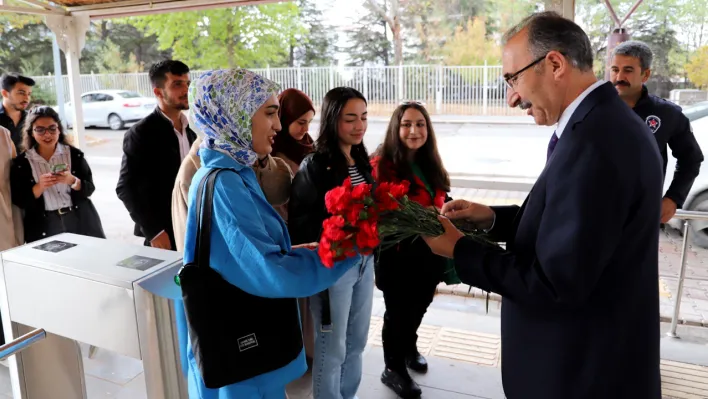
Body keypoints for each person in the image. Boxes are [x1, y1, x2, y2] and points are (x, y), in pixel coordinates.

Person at [422, 12, 662, 399]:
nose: (512, 96)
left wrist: (459, 249)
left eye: (512, 78)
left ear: (554, 64)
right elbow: (574, 227)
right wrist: (493, 219)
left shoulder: (597, 142)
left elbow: (554, 284)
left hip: (579, 373)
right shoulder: (601, 123)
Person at [177, 68, 362, 399]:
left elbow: (242, 255)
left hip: (240, 353)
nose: (278, 125)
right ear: (235, 113)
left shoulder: (227, 172)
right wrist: (350, 249)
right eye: (270, 113)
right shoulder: (226, 182)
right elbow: (270, 271)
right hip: (245, 364)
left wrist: (298, 252)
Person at [289, 87, 374, 399]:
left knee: (357, 342)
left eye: (363, 117)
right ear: (333, 120)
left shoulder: (361, 161)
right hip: (333, 267)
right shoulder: (314, 165)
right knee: (332, 347)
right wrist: (335, 233)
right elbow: (299, 223)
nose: (359, 125)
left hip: (364, 261)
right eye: (350, 118)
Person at [371, 102, 450, 398]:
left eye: (420, 124)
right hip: (398, 253)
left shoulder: (430, 162)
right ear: (396, 127)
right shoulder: (382, 163)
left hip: (429, 250)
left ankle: (408, 347)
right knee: (398, 312)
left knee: (421, 303)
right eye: (406, 124)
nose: (414, 130)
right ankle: (392, 368)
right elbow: (381, 210)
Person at [610, 40, 704, 222]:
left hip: (641, 218)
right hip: (596, 212)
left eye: (628, 70)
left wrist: (673, 198)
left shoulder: (667, 114)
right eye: (615, 70)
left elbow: (691, 159)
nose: (619, 76)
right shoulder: (596, 108)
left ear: (645, 75)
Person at [116, 60, 196, 251]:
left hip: (193, 226)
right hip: (164, 233)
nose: (186, 90)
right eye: (177, 84)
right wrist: (154, 232)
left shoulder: (192, 131)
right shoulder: (141, 133)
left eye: (188, 83)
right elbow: (126, 187)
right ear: (158, 92)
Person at [172, 135, 292, 252]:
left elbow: (279, 194)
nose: (277, 125)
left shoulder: (243, 158)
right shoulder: (209, 175)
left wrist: (262, 159)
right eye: (269, 114)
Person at [11, 106, 105, 243]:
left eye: (52, 128)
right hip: (44, 224)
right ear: (31, 132)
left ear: (59, 130)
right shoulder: (22, 163)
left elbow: (89, 189)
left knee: (86, 260)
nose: (47, 134)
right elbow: (19, 200)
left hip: (78, 218)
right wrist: (39, 186)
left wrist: (73, 181)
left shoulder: (74, 155)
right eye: (40, 130)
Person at [271, 87, 317, 365]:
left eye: (309, 122)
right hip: (287, 237)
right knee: (293, 303)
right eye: (300, 122)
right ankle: (296, 354)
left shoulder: (308, 146)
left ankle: (308, 350)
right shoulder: (273, 155)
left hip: (307, 234)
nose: (305, 129)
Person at [0, 73, 34, 148]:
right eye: (21, 93)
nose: (27, 99)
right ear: (5, 93)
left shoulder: (31, 118)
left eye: (29, 94)